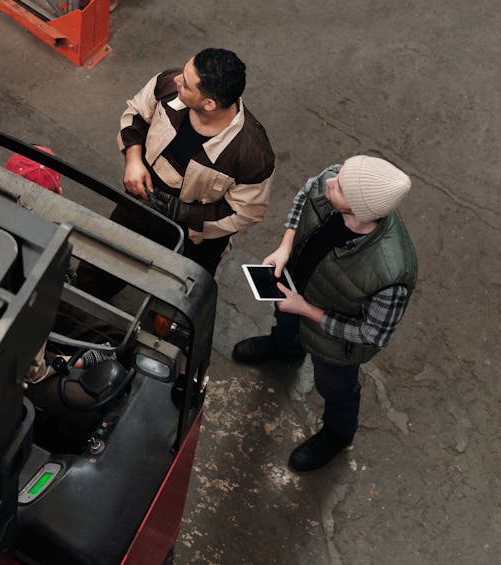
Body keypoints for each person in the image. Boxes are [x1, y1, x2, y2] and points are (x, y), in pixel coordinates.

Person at [232, 155, 417, 472]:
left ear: (359, 211)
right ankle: (284, 349)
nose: (330, 180)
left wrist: (307, 309)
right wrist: (285, 246)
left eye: (340, 186)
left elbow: (373, 334)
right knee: (286, 325)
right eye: (340, 175)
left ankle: (337, 434)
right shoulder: (333, 182)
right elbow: (305, 196)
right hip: (295, 292)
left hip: (336, 342)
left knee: (336, 387)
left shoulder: (392, 272)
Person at [115, 48, 275, 275]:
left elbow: (245, 212)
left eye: (187, 84)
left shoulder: (252, 154)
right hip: (139, 207)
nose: (177, 79)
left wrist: (183, 213)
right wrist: (133, 160)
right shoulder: (168, 87)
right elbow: (137, 114)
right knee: (105, 265)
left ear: (209, 104)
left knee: (176, 291)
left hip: (196, 243)